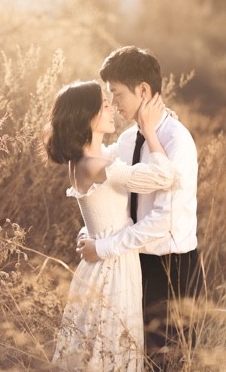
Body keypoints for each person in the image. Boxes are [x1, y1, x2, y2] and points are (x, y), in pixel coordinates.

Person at [77, 46, 204, 370]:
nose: (114, 103)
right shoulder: (127, 139)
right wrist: (92, 231)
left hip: (171, 271)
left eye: (117, 94)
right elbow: (109, 191)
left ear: (143, 90)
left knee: (165, 362)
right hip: (132, 265)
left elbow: (163, 220)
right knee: (127, 356)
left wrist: (104, 247)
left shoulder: (177, 141)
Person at [43, 80, 176, 371]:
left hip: (102, 261)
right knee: (109, 346)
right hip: (111, 268)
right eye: (104, 105)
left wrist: (146, 119)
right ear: (87, 116)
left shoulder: (87, 158)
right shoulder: (97, 166)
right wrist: (150, 131)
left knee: (98, 344)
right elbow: (164, 177)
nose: (112, 108)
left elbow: (119, 150)